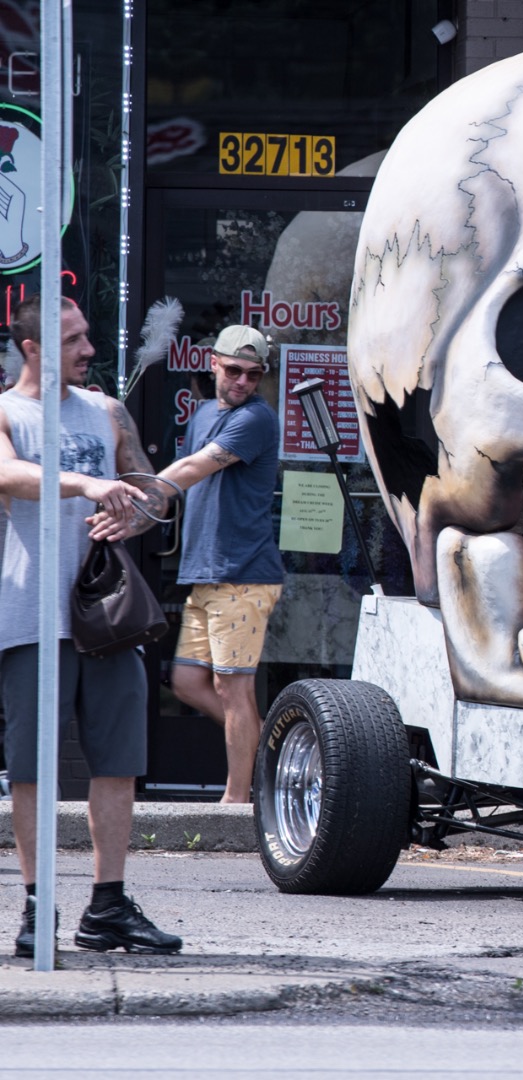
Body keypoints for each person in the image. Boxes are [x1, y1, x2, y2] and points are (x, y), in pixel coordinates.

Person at [0, 295, 183, 956]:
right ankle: (35, 906)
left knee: (118, 760)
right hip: (30, 616)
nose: (88, 350)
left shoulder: (106, 410)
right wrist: (87, 485)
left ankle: (107, 905)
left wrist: (133, 512)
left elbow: (153, 489)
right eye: (73, 340)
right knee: (32, 769)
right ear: (32, 348)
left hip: (105, 615)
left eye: (87, 336)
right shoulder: (6, 411)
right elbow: (9, 475)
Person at [156, 325, 284, 805]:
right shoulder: (205, 412)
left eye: (254, 374)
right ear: (213, 363)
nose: (243, 382)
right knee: (187, 682)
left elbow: (193, 470)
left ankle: (237, 801)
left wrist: (140, 494)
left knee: (234, 692)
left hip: (243, 576)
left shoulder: (256, 419)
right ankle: (278, 745)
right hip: (205, 574)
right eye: (234, 370)